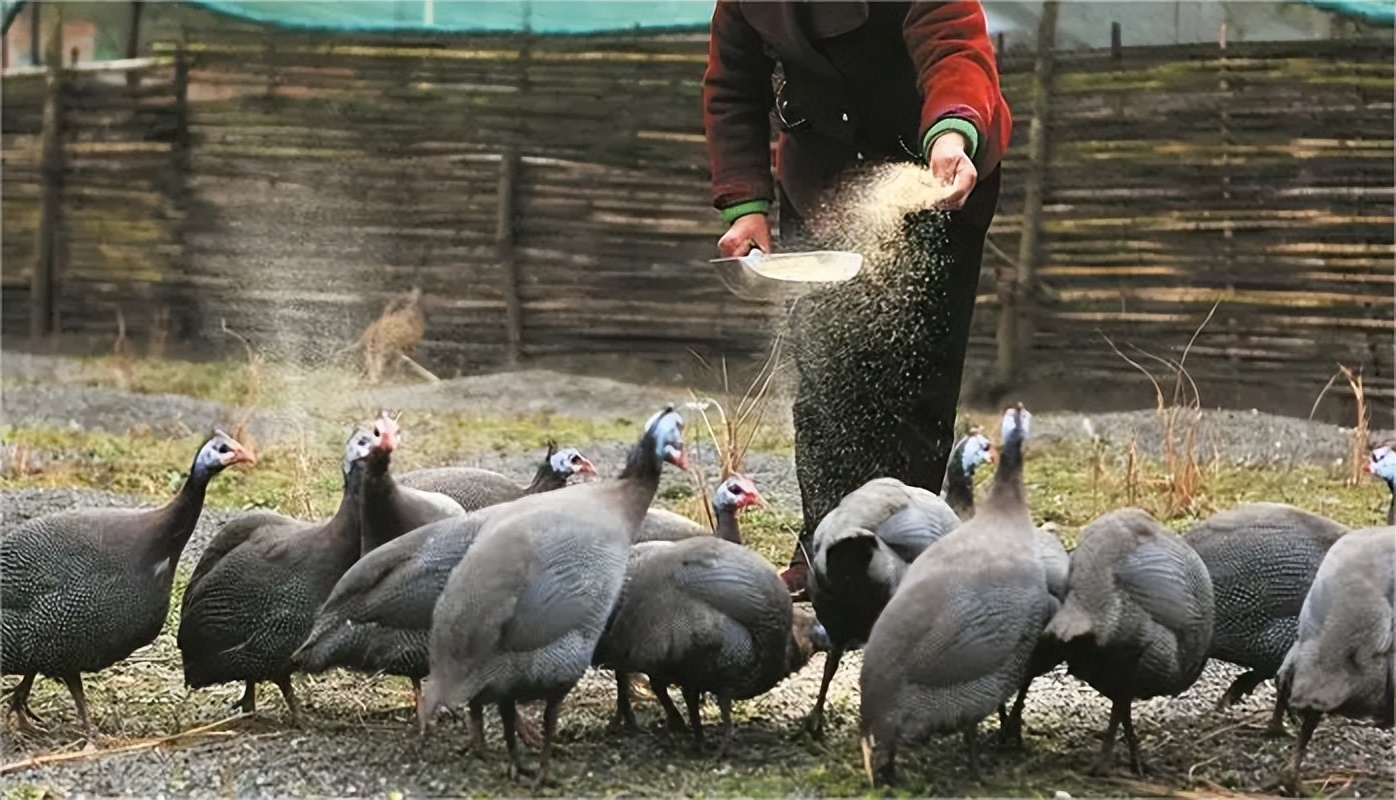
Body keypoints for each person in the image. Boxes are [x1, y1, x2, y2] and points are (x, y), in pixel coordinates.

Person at [701, 0, 1012, 595]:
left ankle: (905, 553)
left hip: (937, 175)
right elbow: (733, 86)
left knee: (914, 376)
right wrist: (745, 205)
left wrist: (952, 131)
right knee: (825, 376)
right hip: (823, 181)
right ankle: (825, 549)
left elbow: (953, 45)